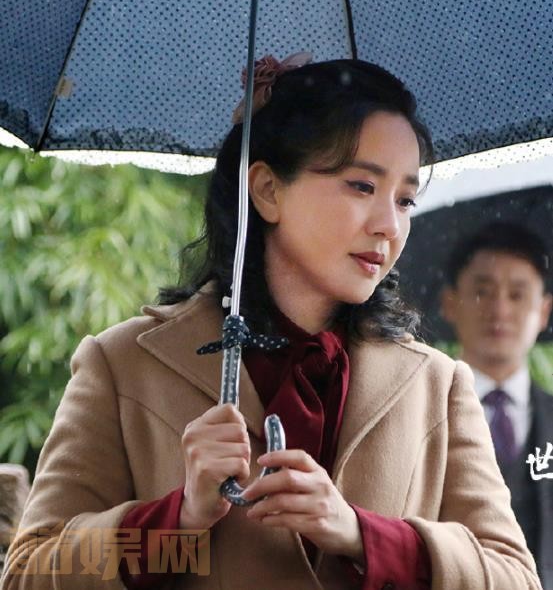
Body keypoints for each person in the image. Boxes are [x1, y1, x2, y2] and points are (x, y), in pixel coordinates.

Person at [1, 57, 542, 590]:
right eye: (362, 186)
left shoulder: (436, 386)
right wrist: (178, 520)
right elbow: (27, 573)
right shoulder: (124, 364)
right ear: (266, 189)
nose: (389, 226)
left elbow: (515, 577)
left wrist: (362, 536)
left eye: (405, 200)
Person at [441, 222, 553, 590]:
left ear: (544, 311)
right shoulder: (423, 412)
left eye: (518, 295)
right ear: (449, 303)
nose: (499, 310)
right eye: (482, 291)